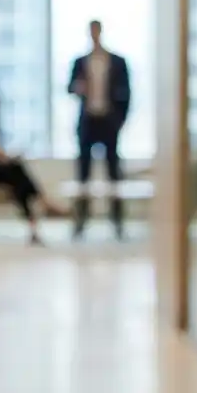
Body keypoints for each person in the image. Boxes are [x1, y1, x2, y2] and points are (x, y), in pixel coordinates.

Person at [0, 85, 68, 245]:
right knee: (18, 171)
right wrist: (10, 158)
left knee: (19, 183)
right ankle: (43, 203)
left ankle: (37, 218)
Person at [67, 19, 131, 239]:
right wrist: (78, 88)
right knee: (83, 174)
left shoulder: (117, 62)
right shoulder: (80, 62)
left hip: (108, 122)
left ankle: (118, 222)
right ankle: (80, 222)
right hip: (88, 122)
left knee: (114, 172)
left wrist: (120, 120)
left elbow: (127, 93)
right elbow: (69, 87)